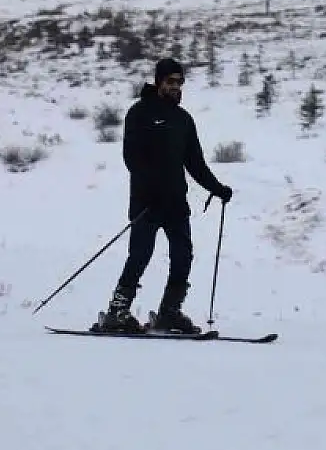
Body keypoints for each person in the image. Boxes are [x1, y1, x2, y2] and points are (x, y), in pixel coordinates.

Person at [95, 57, 234, 334]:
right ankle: (117, 311)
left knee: (183, 256)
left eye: (180, 82)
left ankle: (170, 312)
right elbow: (132, 158)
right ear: (158, 82)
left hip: (175, 204)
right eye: (170, 81)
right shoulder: (139, 113)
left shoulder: (183, 120)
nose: (176, 86)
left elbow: (194, 162)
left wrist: (217, 188)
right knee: (140, 255)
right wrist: (150, 189)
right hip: (146, 202)